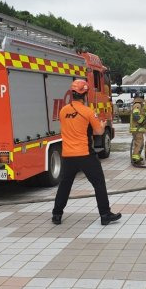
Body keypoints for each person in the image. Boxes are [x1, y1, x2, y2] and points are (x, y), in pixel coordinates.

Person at [52, 80, 121, 226]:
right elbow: (98, 131)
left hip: (67, 155)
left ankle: (56, 214)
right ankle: (105, 214)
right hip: (84, 154)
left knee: (65, 185)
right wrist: (102, 124)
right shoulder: (88, 112)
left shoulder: (63, 111)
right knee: (99, 183)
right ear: (84, 94)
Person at [130, 92, 146, 164]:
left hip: (138, 128)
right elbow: (135, 115)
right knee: (139, 143)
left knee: (140, 143)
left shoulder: (138, 105)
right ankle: (136, 159)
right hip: (137, 128)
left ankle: (137, 156)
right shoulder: (137, 105)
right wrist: (142, 121)